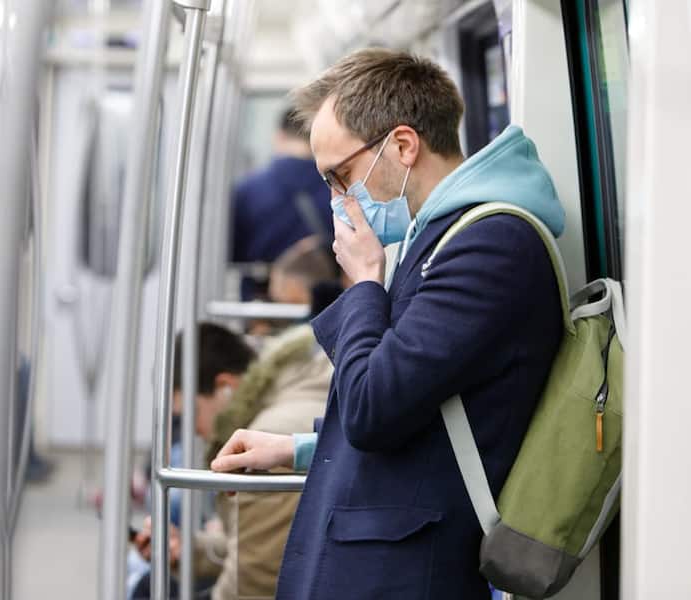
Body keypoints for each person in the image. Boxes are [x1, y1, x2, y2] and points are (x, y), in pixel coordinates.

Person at [212, 49, 565, 599]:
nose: (337, 199)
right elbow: (420, 404)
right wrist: (297, 449)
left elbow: (374, 408)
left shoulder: (490, 245)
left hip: (414, 570)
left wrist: (365, 283)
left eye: (341, 176)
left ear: (402, 146)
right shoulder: (438, 236)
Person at [132, 322, 331, 599]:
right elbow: (263, 547)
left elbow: (255, 579)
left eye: (190, 414)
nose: (192, 431)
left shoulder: (270, 439)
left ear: (225, 387)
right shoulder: (291, 387)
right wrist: (192, 551)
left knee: (144, 587)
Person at [231, 108, 332, 301]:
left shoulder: (248, 190)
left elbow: (233, 253)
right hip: (326, 302)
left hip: (262, 303)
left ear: (279, 136)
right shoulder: (337, 188)